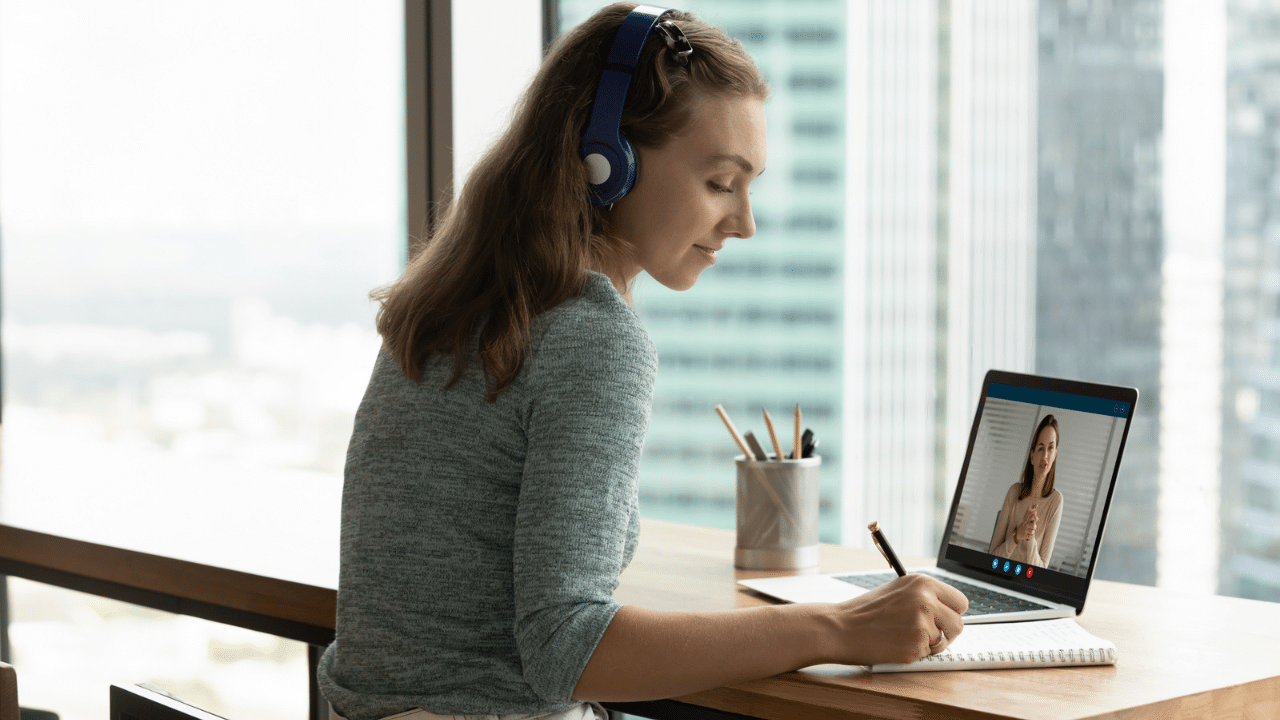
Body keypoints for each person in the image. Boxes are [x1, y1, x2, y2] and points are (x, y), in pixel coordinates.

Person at [317, 5, 968, 720]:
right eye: (722, 182)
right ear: (608, 162)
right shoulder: (592, 336)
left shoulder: (449, 305)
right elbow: (568, 648)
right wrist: (839, 626)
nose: (745, 222)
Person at [989, 414, 1064, 567]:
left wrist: (1029, 538)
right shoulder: (1014, 492)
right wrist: (1017, 536)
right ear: (1032, 456)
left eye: (1050, 448)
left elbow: (1041, 570)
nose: (1045, 456)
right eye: (1040, 448)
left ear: (1055, 453)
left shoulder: (1055, 501)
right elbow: (992, 559)